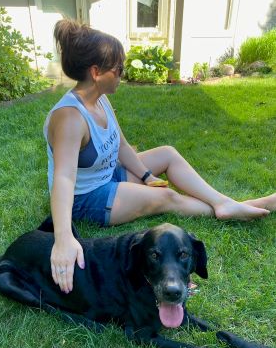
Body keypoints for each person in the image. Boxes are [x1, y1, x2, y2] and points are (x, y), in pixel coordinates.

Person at [43, 19, 276, 294]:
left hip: (107, 174)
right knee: (166, 198)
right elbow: (64, 178)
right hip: (86, 197)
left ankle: (223, 203)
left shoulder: (100, 100)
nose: (122, 73)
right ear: (96, 72)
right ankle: (234, 208)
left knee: (167, 154)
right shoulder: (69, 118)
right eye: (119, 68)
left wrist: (146, 175)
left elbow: (122, 147)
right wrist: (63, 238)